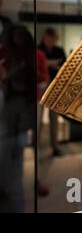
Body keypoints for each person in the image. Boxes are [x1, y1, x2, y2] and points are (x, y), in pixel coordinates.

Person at [0, 25, 35, 212]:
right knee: (6, 150)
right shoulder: (7, 53)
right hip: (7, 107)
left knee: (18, 149)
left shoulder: (28, 54)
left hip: (22, 106)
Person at [38, 27, 66, 157]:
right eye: (49, 39)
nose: (51, 41)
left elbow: (65, 66)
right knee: (38, 119)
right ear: (45, 38)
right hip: (40, 87)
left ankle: (54, 146)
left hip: (55, 87)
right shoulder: (38, 50)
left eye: (53, 39)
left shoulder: (59, 50)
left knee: (54, 119)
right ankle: (36, 146)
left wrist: (49, 64)